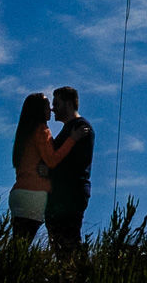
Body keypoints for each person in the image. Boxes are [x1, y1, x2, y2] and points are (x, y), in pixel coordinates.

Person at [43, 85, 95, 256]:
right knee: (62, 247)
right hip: (63, 196)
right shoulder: (71, 129)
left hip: (69, 196)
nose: (53, 108)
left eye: (56, 103)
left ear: (69, 103)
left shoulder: (80, 127)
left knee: (68, 247)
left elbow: (70, 163)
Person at [7, 92, 53, 243]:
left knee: (18, 243)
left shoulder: (24, 135)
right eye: (47, 106)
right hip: (34, 194)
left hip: (19, 193)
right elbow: (52, 160)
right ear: (39, 110)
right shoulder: (42, 131)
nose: (51, 109)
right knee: (21, 247)